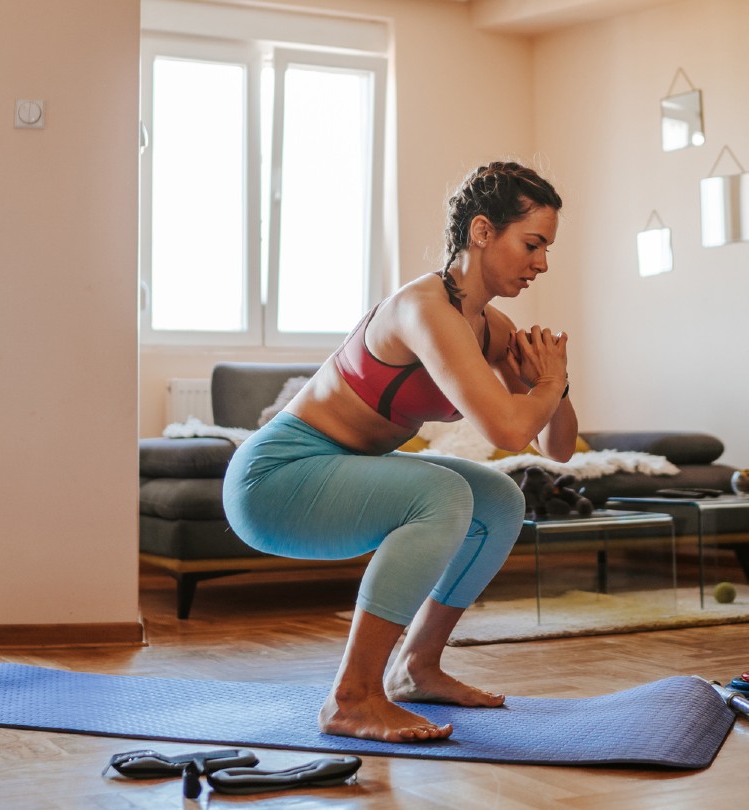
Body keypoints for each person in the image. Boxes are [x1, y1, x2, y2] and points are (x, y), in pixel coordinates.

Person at [222, 160, 577, 743]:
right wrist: (542, 387)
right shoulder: (425, 309)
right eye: (532, 243)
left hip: (345, 467)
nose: (541, 263)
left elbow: (555, 448)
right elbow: (509, 431)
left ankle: (418, 666)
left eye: (546, 249)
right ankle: (352, 697)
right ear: (483, 231)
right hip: (273, 479)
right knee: (443, 493)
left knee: (499, 499)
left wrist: (555, 382)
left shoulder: (490, 328)